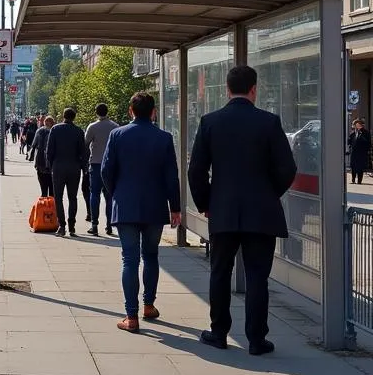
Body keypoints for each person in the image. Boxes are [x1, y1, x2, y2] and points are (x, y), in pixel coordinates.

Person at [188, 64, 297, 356]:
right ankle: (257, 340)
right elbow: (288, 169)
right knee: (258, 276)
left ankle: (219, 332)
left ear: (226, 89)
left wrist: (206, 203)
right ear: (254, 89)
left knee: (219, 272)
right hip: (261, 212)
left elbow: (196, 170)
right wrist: (268, 193)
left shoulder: (210, 122)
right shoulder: (269, 123)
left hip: (222, 211)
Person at [101, 92, 182, 333]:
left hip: (125, 205)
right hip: (155, 206)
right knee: (151, 256)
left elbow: (106, 170)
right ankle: (149, 305)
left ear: (130, 111)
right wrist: (175, 207)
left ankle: (131, 316)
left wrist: (116, 193)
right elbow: (171, 176)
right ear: (154, 111)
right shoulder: (164, 138)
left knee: (129, 259)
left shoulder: (117, 135)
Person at [46, 108, 88, 236]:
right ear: (74, 117)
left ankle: (62, 226)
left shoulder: (55, 129)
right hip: (74, 168)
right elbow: (84, 152)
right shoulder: (79, 131)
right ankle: (72, 226)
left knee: (58, 197)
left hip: (58, 167)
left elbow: (49, 150)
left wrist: (50, 165)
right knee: (72, 197)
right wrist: (82, 166)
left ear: (63, 116)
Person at [84, 103, 120, 236]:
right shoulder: (115, 127)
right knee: (109, 195)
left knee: (94, 194)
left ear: (96, 112)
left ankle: (94, 224)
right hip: (111, 165)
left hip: (96, 163)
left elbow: (86, 143)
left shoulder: (92, 127)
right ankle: (109, 225)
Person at [349, 118, 370, 184]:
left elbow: (368, 142)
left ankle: (359, 181)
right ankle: (353, 179)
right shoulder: (353, 133)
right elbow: (349, 141)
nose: (356, 126)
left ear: (360, 125)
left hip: (361, 153)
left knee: (360, 167)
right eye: (355, 125)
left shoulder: (365, 132)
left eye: (357, 124)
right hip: (354, 152)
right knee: (353, 166)